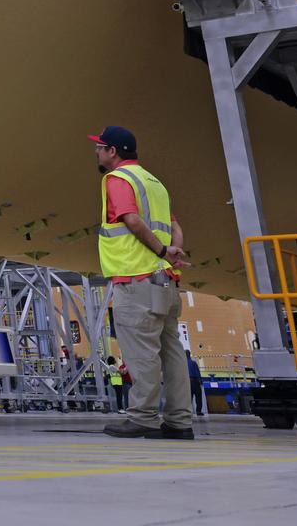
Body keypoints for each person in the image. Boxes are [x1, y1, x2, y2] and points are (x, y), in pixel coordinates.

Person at [91, 125, 195, 439]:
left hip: (137, 279)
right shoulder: (154, 183)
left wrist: (162, 251)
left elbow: (132, 220)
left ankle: (143, 418)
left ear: (113, 151)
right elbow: (176, 227)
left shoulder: (118, 179)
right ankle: (179, 422)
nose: (96, 152)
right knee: (172, 353)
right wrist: (171, 255)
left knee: (141, 352)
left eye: (100, 147)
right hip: (165, 280)